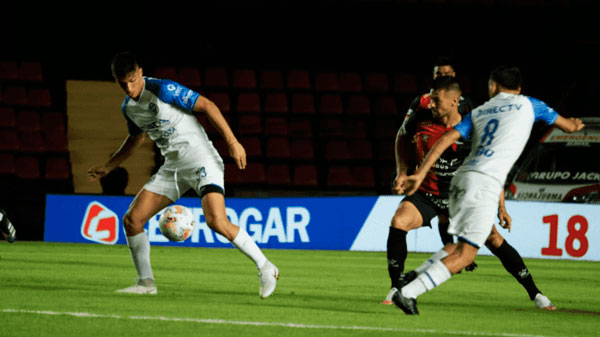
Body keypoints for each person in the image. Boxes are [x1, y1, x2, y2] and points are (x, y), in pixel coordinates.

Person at [392, 66, 584, 315]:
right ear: (518, 88)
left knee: (465, 246)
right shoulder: (529, 104)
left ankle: (413, 277)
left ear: (492, 87)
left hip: (461, 180)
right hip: (484, 183)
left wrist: (418, 174)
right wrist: (575, 125)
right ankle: (408, 292)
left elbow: (445, 139)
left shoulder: (480, 111)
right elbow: (567, 126)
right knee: (468, 254)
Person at [88, 52, 279, 297]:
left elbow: (208, 106)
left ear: (139, 72)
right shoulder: (129, 109)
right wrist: (110, 165)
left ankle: (266, 267)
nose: (128, 87)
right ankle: (146, 283)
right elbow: (137, 139)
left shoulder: (164, 89)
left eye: (132, 80)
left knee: (216, 222)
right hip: (173, 168)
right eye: (122, 82)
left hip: (202, 161)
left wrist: (232, 142)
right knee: (132, 220)